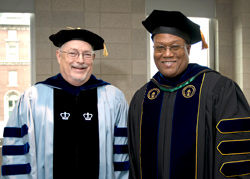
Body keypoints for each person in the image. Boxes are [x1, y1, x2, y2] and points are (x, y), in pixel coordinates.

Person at [128, 9, 250, 179]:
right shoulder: (142, 97)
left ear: (188, 49)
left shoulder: (219, 89)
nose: (167, 54)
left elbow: (236, 154)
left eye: (175, 47)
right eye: (160, 48)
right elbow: (134, 160)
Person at [1, 28, 129, 179]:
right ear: (58, 56)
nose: (80, 60)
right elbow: (16, 150)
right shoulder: (33, 98)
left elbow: (123, 155)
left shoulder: (113, 98)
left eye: (87, 54)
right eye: (72, 53)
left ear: (93, 58)